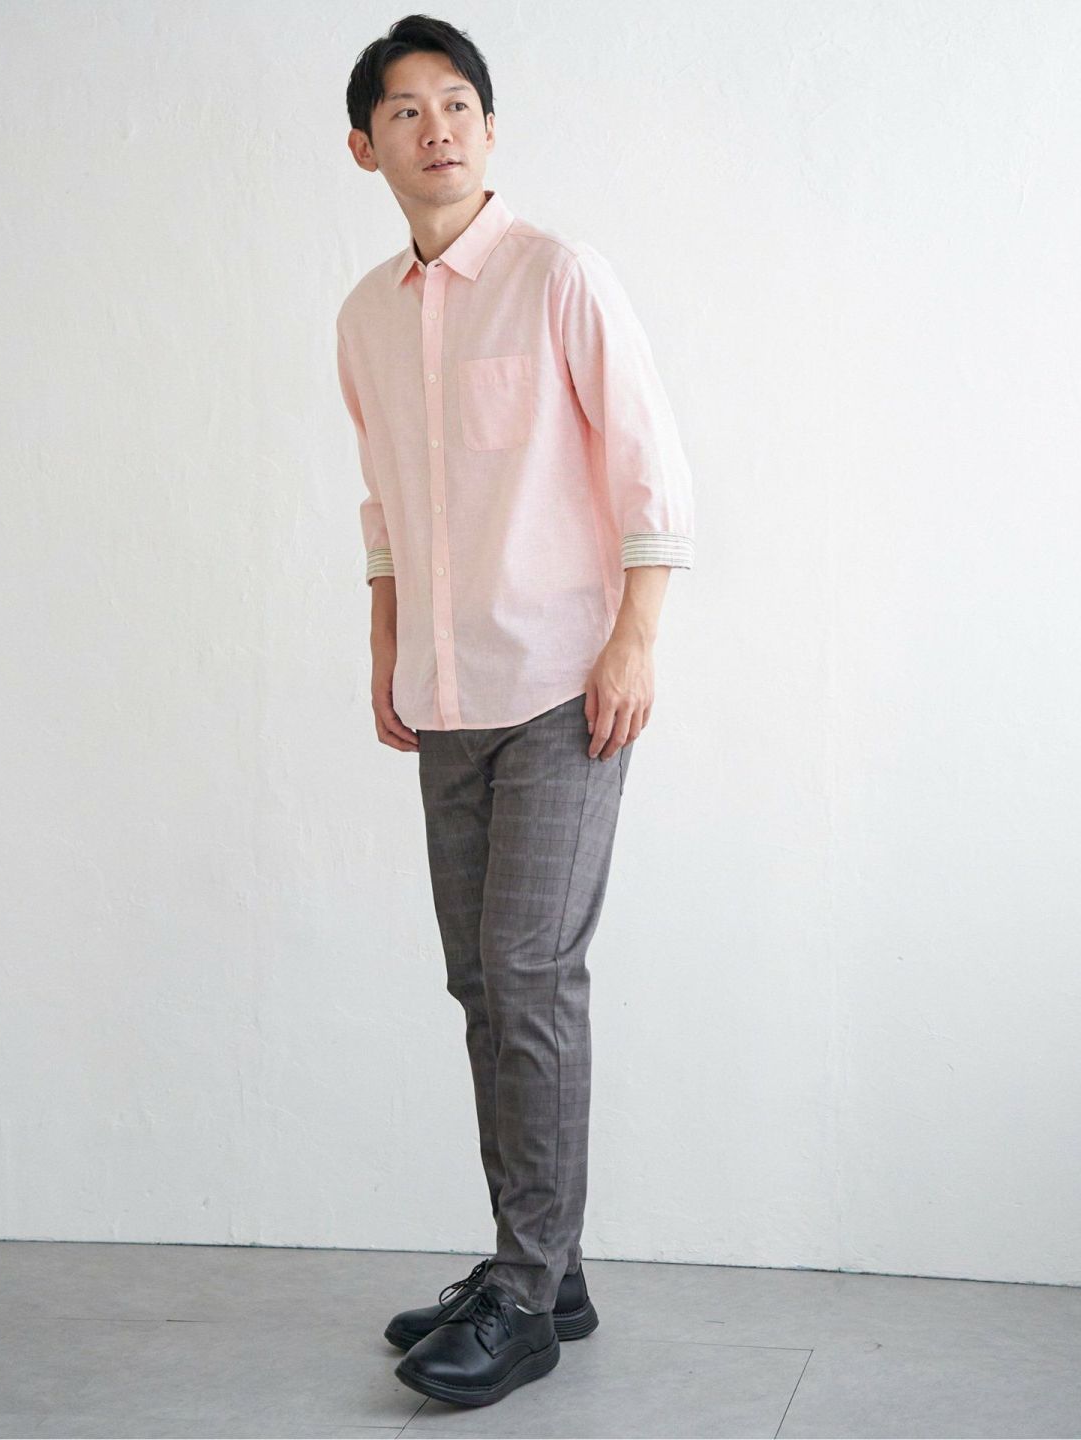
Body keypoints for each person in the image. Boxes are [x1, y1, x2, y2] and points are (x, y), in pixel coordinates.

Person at [336, 14, 695, 1409]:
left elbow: (654, 471)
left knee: (531, 974)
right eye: (406, 109)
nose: (436, 127)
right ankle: (547, 1267)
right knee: (483, 981)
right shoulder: (366, 315)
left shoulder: (559, 276)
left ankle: (527, 1294)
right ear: (364, 145)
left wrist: (635, 641)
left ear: (490, 129)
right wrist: (386, 642)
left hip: (561, 681)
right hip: (445, 690)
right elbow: (385, 503)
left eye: (459, 103)